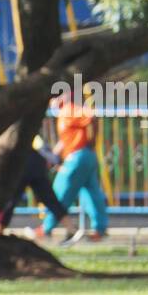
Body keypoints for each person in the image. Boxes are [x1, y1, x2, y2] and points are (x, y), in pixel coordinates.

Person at [42, 93, 109, 243]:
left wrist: (92, 140)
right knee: (91, 193)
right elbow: (66, 139)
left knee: (61, 190)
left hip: (78, 158)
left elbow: (92, 116)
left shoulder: (69, 110)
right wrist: (53, 156)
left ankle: (47, 227)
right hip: (85, 156)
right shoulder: (64, 114)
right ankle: (100, 230)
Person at [0, 135, 73, 238]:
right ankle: (71, 228)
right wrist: (54, 161)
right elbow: (43, 148)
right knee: (50, 200)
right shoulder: (32, 134)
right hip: (36, 165)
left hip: (21, 165)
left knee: (10, 200)